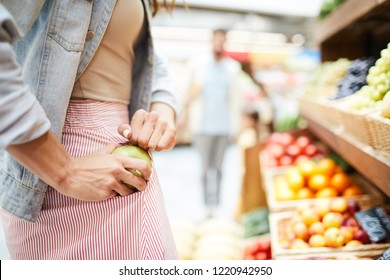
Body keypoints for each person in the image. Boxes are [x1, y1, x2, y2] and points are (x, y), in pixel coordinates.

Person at [0, 0, 179, 260]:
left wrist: (163, 111)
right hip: (66, 174)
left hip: (120, 170)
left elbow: (150, 59)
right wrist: (65, 171)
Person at [181, 28, 241, 217]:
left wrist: (236, 126)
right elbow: (187, 91)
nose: (219, 44)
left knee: (220, 169)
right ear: (211, 41)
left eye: (222, 41)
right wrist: (184, 114)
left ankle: (218, 205)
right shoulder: (198, 65)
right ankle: (207, 206)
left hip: (223, 127)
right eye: (217, 40)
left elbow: (236, 100)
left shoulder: (232, 68)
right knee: (205, 169)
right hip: (203, 127)